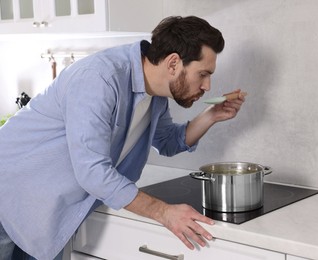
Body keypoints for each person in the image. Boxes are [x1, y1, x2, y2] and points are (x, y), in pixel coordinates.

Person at [0, 16, 246, 259]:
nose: (207, 86)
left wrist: (211, 116)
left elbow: (168, 142)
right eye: (203, 74)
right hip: (9, 196)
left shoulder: (156, 95)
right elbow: (93, 172)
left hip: (44, 209)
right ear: (173, 64)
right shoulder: (99, 79)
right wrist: (163, 212)